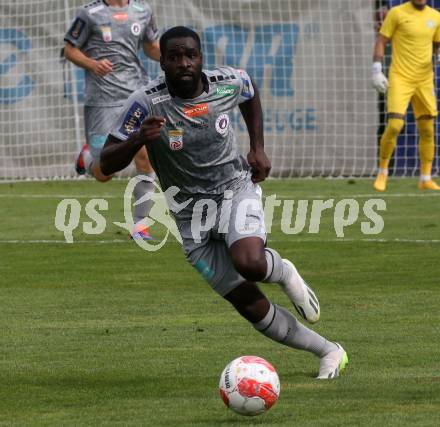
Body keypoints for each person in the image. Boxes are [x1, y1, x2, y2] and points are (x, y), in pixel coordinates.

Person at [101, 26, 348, 379]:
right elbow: (106, 162)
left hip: (234, 190)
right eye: (174, 57)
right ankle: (329, 351)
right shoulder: (146, 103)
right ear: (162, 62)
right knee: (249, 304)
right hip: (189, 219)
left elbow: (249, 92)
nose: (184, 63)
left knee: (248, 261)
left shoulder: (225, 82)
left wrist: (257, 147)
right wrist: (138, 138)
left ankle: (282, 270)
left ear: (201, 58)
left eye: (190, 55)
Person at [64, 0, 161, 239]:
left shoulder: (143, 11)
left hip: (136, 94)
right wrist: (93, 64)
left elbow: (150, 47)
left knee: (145, 158)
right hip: (102, 100)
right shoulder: (90, 13)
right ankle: (87, 158)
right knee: (104, 173)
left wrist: (172, 55)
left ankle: (140, 226)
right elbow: (69, 49)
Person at [372, 0, 440, 191]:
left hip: (425, 80)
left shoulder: (435, 17)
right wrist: (376, 69)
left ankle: (425, 178)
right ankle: (382, 173)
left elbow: (436, 45)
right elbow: (382, 40)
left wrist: (438, 54)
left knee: (427, 129)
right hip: (400, 77)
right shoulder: (396, 13)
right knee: (395, 125)